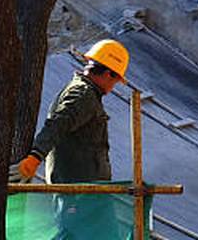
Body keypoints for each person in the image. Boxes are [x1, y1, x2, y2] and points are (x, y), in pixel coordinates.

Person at [15, 40, 129, 238]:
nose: (114, 86)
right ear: (107, 73)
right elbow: (57, 125)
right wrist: (35, 156)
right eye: (115, 79)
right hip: (79, 192)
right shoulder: (82, 95)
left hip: (89, 191)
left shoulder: (85, 93)